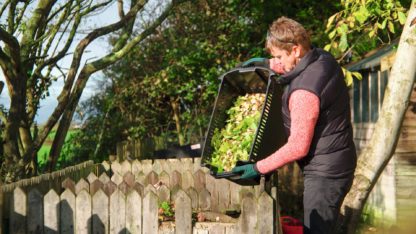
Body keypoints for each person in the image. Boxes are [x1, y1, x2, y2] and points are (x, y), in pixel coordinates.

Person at [232, 16, 357, 234]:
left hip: (326, 175)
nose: (277, 62)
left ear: (296, 50)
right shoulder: (322, 58)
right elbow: (297, 68)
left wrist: (257, 167)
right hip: (338, 159)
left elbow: (298, 146)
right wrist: (266, 64)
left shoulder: (303, 94)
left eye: (279, 56)